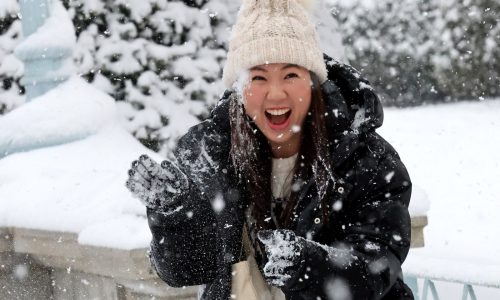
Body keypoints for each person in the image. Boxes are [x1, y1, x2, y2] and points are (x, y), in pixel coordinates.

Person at [126, 0, 414, 299]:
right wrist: (173, 211)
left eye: (291, 75)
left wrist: (307, 265)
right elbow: (185, 271)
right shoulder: (208, 154)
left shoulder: (365, 158)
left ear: (313, 82)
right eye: (258, 77)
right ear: (239, 87)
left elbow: (376, 269)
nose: (275, 93)